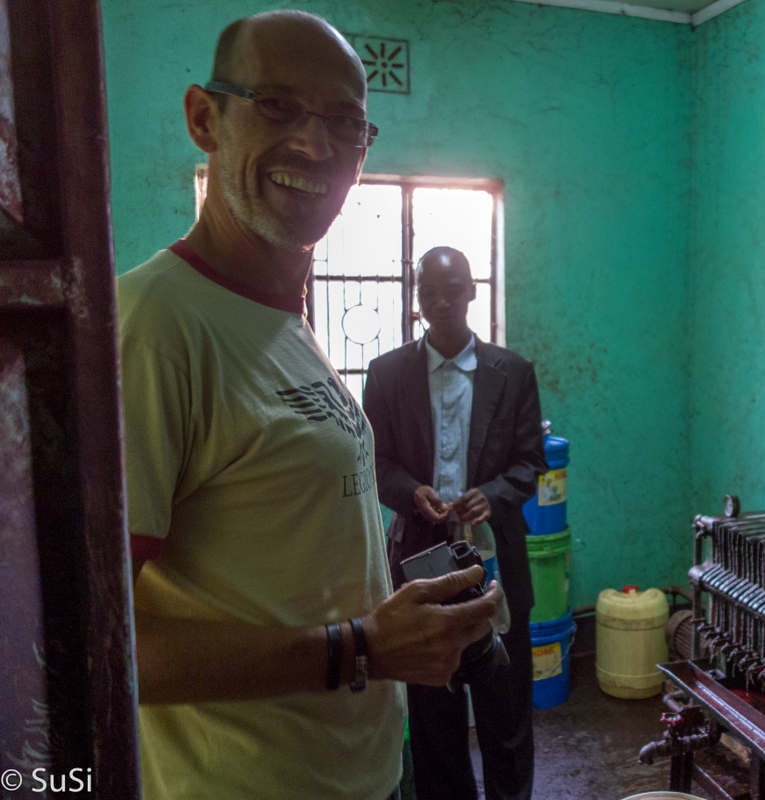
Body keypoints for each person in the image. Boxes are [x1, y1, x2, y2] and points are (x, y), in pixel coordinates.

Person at [118, 12, 502, 800]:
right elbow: (88, 645)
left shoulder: (279, 322)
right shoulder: (153, 328)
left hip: (359, 770)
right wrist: (359, 647)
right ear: (204, 118)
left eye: (344, 123)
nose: (316, 146)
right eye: (278, 107)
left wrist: (392, 623)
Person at [363, 246, 548, 800]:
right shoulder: (387, 373)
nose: (441, 302)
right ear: (416, 296)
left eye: (453, 289)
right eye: (428, 292)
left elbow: (530, 462)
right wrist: (409, 492)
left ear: (472, 291)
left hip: (496, 561)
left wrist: (490, 495)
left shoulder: (512, 373)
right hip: (419, 560)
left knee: (505, 709)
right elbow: (376, 462)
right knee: (434, 713)